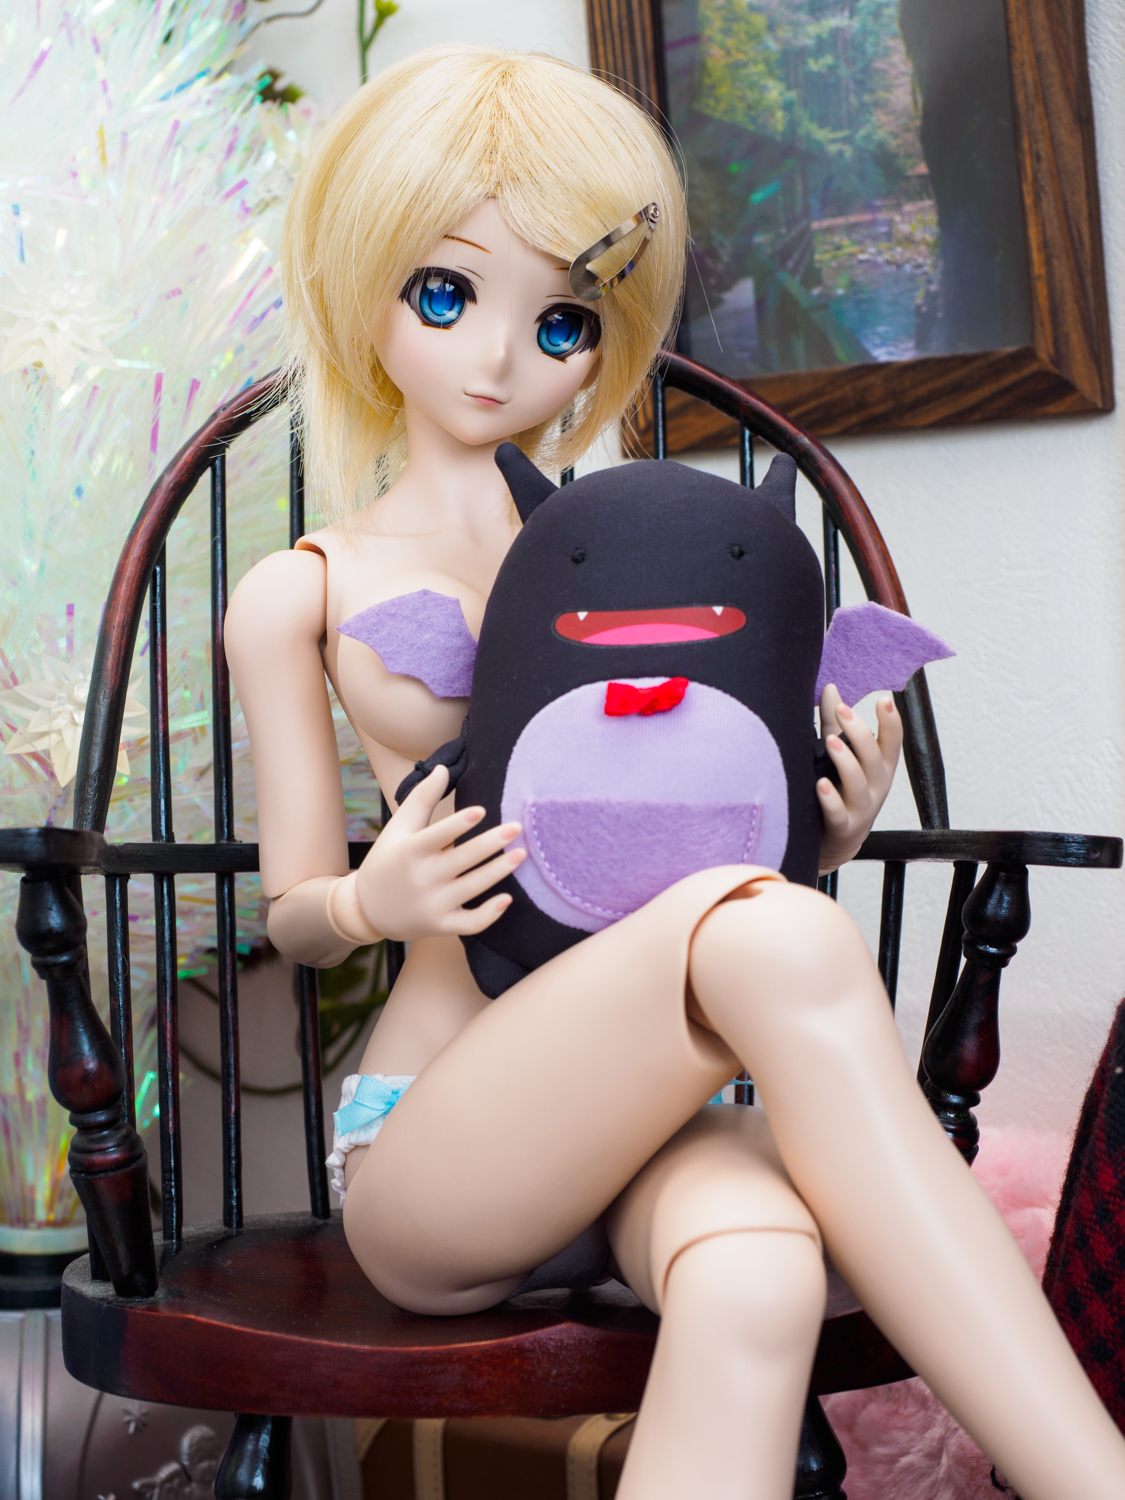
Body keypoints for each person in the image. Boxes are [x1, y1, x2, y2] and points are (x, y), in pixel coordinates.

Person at [225, 45, 1125, 1500]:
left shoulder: (639, 551)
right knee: (764, 929)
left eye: (562, 318)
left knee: (761, 1275)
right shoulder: (306, 586)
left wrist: (826, 822)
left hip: (661, 1115)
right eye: (444, 294)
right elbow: (292, 914)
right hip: (445, 1137)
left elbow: (700, 845)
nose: (498, 358)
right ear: (362, 281)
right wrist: (370, 902)